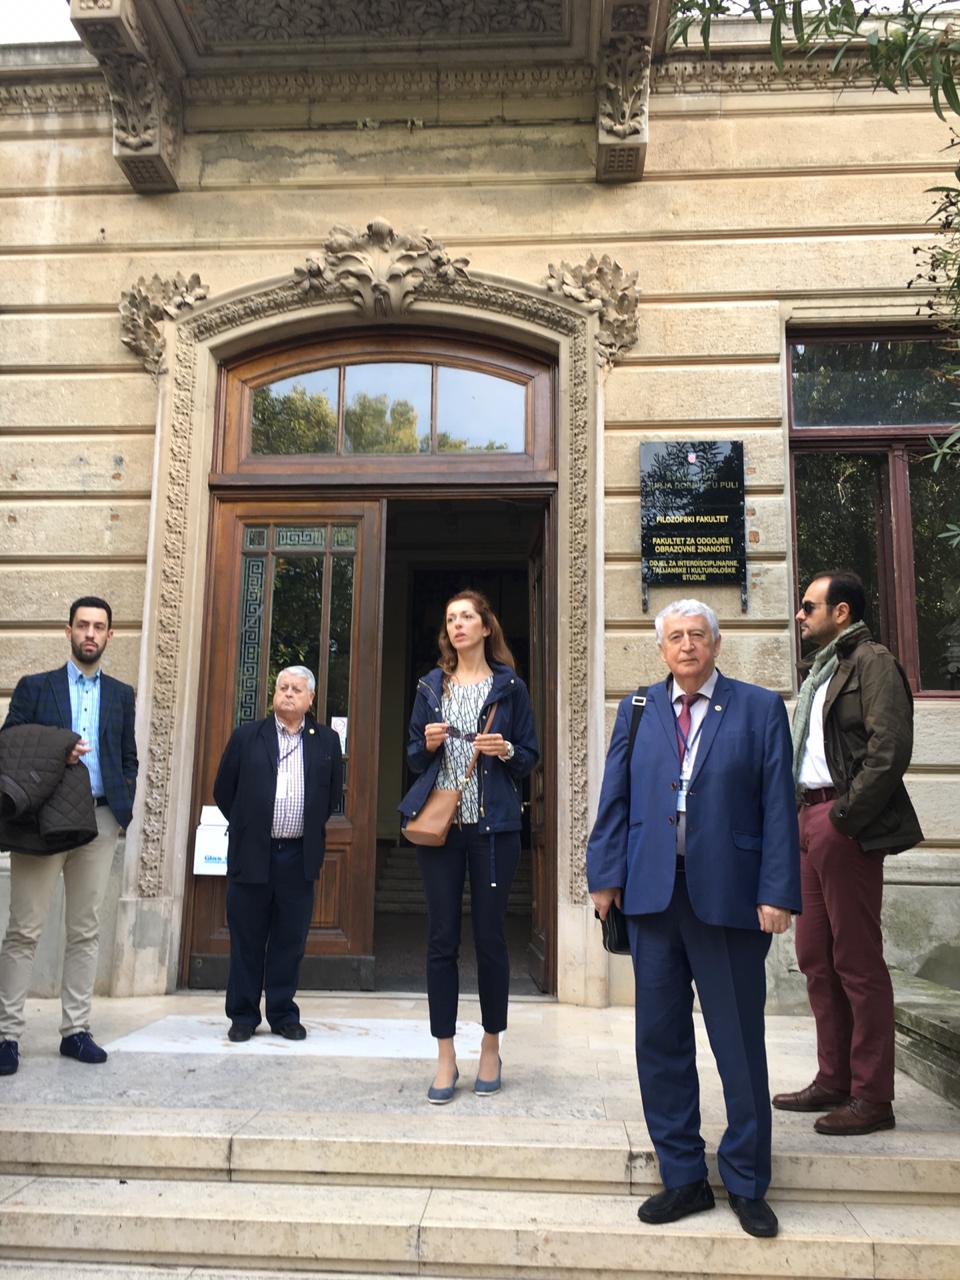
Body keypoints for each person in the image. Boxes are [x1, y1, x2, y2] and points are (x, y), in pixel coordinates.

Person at [587, 599, 800, 1239]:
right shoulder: (638, 708)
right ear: (661, 649)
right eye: (675, 636)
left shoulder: (759, 709)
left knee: (738, 1041)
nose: (686, 645)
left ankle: (746, 1180)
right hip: (653, 896)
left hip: (729, 898)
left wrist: (777, 892)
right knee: (660, 1041)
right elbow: (615, 795)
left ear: (716, 644)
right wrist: (604, 875)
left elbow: (778, 807)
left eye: (697, 635)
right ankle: (682, 1175)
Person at [772, 569, 922, 1136]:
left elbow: (890, 750)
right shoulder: (823, 671)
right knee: (815, 955)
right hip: (807, 818)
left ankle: (872, 1096)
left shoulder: (873, 662)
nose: (800, 614)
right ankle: (833, 1078)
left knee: (857, 960)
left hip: (841, 820)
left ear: (841, 612)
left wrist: (843, 817)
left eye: (809, 605)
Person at [399, 590, 538, 1103]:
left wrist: (506, 750)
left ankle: (491, 1047)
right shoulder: (429, 686)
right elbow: (413, 757)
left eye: (466, 617)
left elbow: (530, 756)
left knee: (490, 939)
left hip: (493, 829)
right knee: (441, 941)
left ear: (485, 627)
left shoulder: (510, 687)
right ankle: (445, 1055)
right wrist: (427, 744)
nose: (457, 625)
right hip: (442, 831)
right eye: (451, 618)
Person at [0, 596, 138, 1073]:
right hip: (41, 823)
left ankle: (75, 1031)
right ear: (69, 631)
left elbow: (127, 755)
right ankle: (7, 1035)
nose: (90, 634)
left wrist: (123, 804)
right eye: (83, 625)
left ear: (110, 635)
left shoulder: (121, 694)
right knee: (24, 929)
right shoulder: (35, 687)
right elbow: (9, 742)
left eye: (99, 627)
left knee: (85, 930)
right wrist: (57, 750)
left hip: (98, 822)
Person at [213, 665, 343, 1042]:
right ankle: (243, 1015)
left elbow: (331, 796)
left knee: (289, 939)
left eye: (296, 689)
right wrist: (248, 825)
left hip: (298, 856)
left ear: (310, 699)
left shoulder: (326, 741)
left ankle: (283, 1013)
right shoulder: (247, 737)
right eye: (282, 687)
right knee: (247, 938)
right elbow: (224, 790)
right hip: (252, 852)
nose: (287, 693)